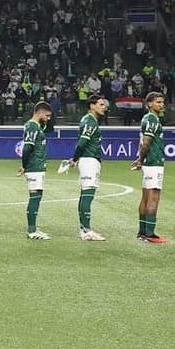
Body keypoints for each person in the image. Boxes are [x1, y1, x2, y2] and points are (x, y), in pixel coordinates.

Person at [66, 95, 109, 241]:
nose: (104, 107)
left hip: (90, 160)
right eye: (101, 104)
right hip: (89, 160)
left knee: (86, 194)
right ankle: (86, 230)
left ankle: (84, 229)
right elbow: (81, 143)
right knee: (88, 194)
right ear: (92, 105)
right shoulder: (89, 121)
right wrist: (75, 158)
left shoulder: (91, 121)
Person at [131, 92, 168, 243]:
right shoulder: (152, 119)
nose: (161, 104)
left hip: (148, 163)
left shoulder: (147, 118)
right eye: (158, 102)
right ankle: (150, 234)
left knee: (145, 197)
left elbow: (143, 143)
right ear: (150, 104)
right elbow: (146, 143)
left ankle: (142, 232)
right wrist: (140, 159)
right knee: (154, 197)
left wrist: (140, 159)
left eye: (162, 102)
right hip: (154, 162)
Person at [18, 101, 53, 240]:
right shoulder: (32, 126)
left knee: (37, 196)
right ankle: (32, 231)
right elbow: (27, 148)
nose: (49, 118)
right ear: (39, 113)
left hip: (37, 166)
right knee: (34, 196)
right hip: (34, 166)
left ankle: (33, 228)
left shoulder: (37, 126)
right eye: (47, 115)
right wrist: (25, 166)